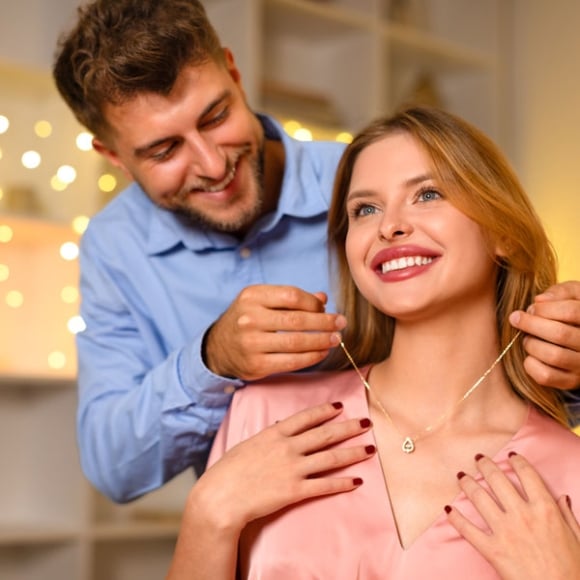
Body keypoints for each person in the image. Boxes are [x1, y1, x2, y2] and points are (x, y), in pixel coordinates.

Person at [52, 0, 580, 503]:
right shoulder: (115, 249)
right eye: (164, 150)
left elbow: (513, 375)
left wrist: (570, 362)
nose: (213, 165)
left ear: (234, 75)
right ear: (112, 156)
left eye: (215, 117)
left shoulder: (365, 180)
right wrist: (212, 360)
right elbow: (114, 467)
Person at [167, 106, 580, 580]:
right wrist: (207, 513)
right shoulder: (261, 418)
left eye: (427, 194)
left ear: (503, 231)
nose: (389, 226)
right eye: (365, 209)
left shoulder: (568, 470)